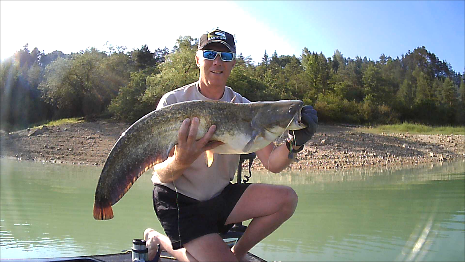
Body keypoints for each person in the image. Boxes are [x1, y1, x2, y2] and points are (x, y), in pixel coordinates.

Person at [144, 29, 318, 262]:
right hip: (179, 201)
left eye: (225, 56)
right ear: (198, 59)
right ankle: (158, 239)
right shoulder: (174, 102)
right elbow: (161, 175)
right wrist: (181, 161)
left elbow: (272, 163)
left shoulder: (244, 106)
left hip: (218, 197)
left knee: (287, 199)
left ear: (233, 63)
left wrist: (294, 144)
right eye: (210, 54)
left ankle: (238, 253)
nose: (217, 62)